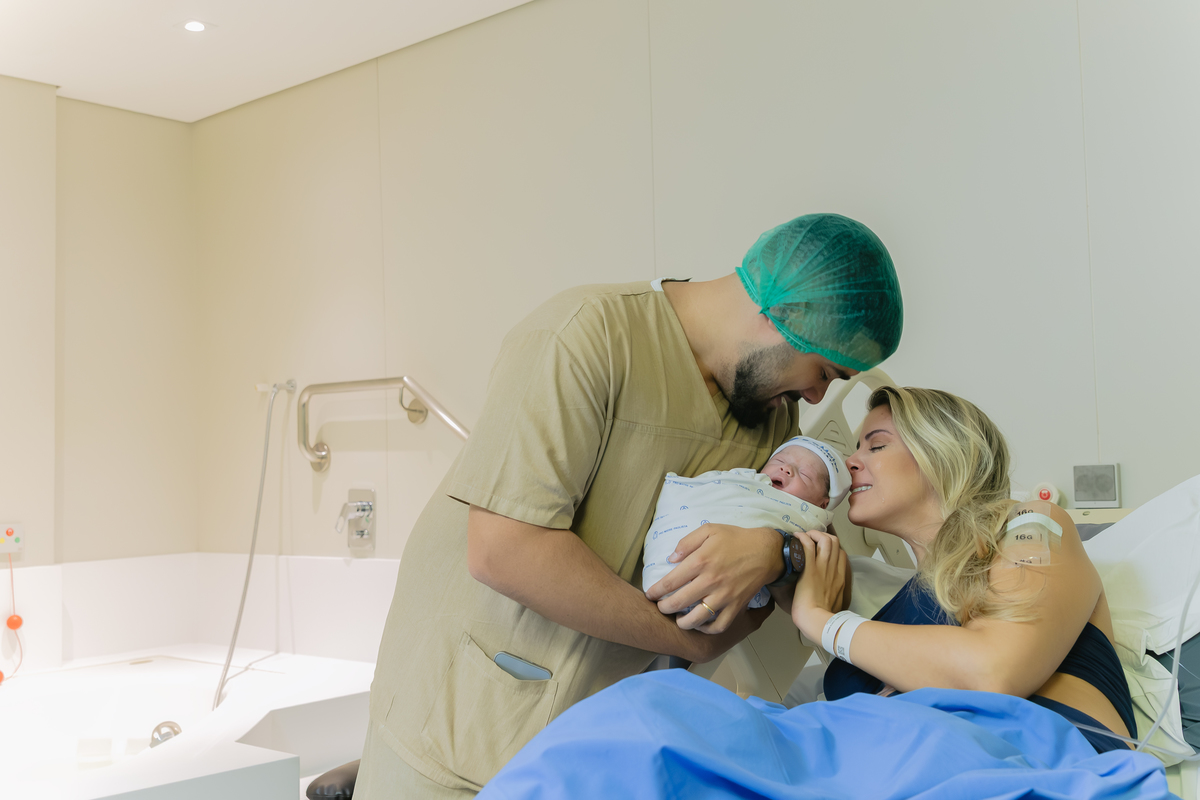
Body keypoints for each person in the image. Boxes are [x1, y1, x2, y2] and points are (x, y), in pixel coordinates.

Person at [354, 213, 903, 798]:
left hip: (599, 750)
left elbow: (788, 555)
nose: (817, 396)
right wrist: (688, 641)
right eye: (823, 372)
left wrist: (773, 551)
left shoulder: (773, 418)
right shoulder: (583, 338)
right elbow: (503, 549)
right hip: (456, 726)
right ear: (781, 314)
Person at [478, 387, 1152, 799]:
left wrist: (821, 621)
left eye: (875, 444)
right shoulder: (892, 609)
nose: (851, 461)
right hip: (877, 754)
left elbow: (993, 672)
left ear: (945, 452)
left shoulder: (1030, 524)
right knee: (644, 714)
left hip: (1032, 752)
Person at [642, 436, 851, 613]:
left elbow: (826, 600)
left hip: (716, 600)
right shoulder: (743, 480)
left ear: (822, 505)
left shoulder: (815, 532)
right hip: (670, 553)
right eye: (779, 460)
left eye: (805, 474)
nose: (786, 468)